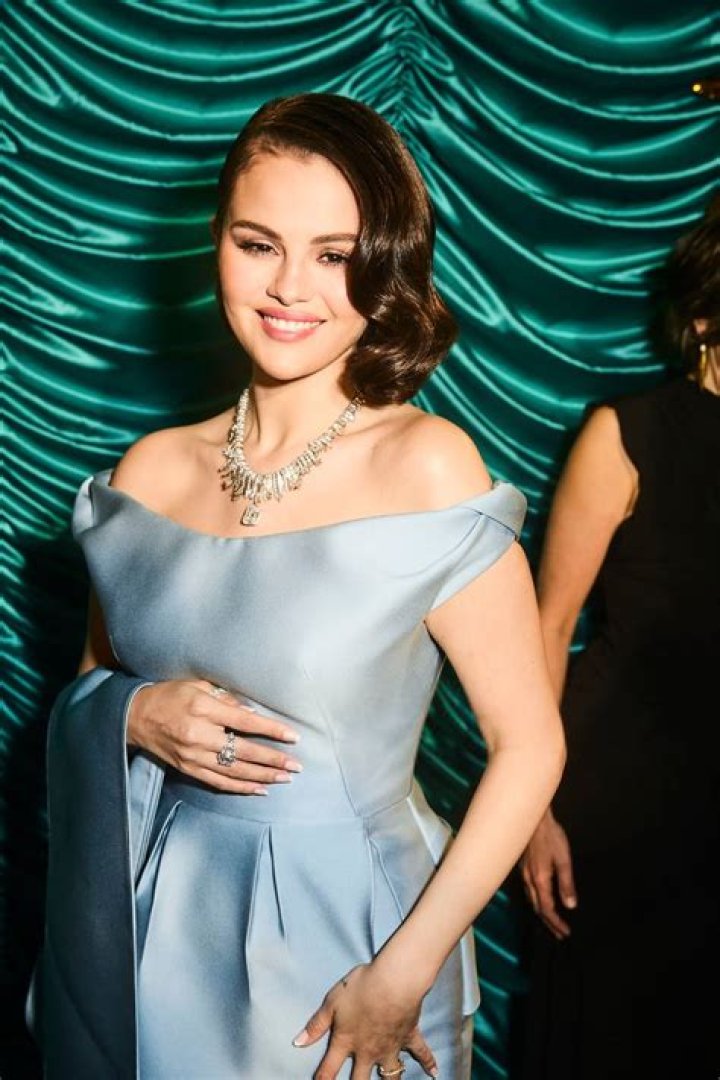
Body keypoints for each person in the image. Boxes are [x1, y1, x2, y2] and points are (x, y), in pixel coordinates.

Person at [31, 93, 565, 1080]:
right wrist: (135, 713)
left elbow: (529, 745)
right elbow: (87, 689)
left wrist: (402, 974)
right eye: (258, 243)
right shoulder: (148, 473)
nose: (289, 287)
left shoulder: (429, 466)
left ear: (388, 264)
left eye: (334, 254)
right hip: (158, 924)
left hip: (356, 944)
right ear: (217, 242)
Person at [517, 200, 720, 1080]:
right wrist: (530, 813)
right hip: (618, 809)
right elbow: (548, 625)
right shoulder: (626, 432)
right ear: (703, 315)